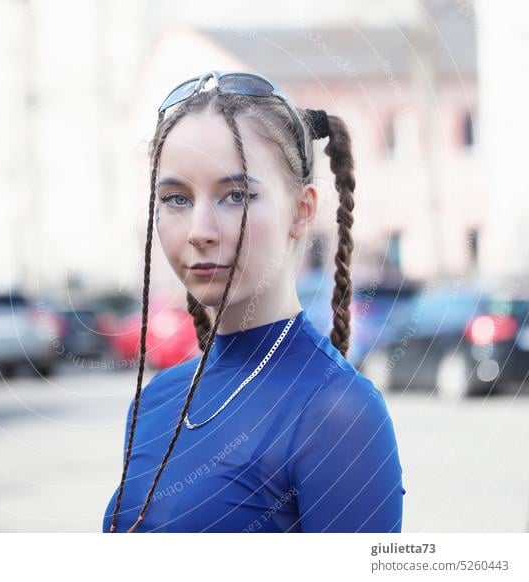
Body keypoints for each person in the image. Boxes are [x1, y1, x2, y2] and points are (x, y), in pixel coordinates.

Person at [102, 71, 406, 533]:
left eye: (236, 195)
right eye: (177, 198)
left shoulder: (337, 412)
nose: (200, 230)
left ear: (302, 209)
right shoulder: (157, 401)